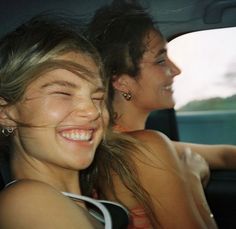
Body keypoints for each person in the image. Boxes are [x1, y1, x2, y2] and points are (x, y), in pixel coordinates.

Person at [86, 0, 236, 228]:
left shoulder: (125, 143)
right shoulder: (144, 149)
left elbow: (225, 155)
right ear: (122, 82)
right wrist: (191, 181)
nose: (176, 70)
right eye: (160, 60)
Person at [0, 14, 131, 229]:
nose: (92, 111)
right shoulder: (27, 202)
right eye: (63, 93)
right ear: (5, 113)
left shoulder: (89, 206)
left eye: (98, 98)